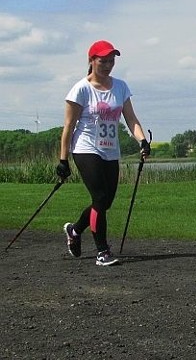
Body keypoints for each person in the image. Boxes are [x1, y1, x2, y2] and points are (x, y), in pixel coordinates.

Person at [57, 40, 150, 266]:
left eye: (111, 61)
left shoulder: (120, 86)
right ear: (92, 61)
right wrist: (63, 160)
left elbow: (130, 118)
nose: (108, 65)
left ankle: (75, 229)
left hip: (110, 149)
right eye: (103, 61)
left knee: (105, 203)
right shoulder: (81, 89)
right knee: (99, 197)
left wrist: (142, 141)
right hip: (86, 147)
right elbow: (68, 126)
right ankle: (102, 252)